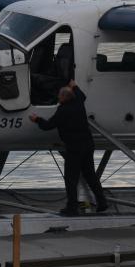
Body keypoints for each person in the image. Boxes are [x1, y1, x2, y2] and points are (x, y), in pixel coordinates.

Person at [29, 80, 109, 216]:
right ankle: (102, 202)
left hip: (74, 148)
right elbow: (81, 95)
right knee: (91, 176)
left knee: (71, 179)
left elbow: (47, 126)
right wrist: (75, 86)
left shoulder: (63, 111)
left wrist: (37, 119)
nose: (58, 98)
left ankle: (72, 207)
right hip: (88, 145)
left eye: (60, 96)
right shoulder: (78, 103)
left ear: (64, 98)